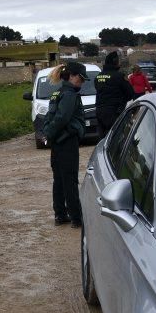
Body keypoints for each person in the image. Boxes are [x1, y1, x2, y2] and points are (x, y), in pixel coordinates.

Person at [43, 62, 87, 228]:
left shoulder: (57, 93)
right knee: (70, 180)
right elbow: (62, 118)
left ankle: (60, 214)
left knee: (59, 180)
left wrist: (47, 134)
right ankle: (76, 218)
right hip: (67, 141)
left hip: (57, 142)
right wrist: (51, 133)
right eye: (80, 78)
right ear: (71, 75)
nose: (82, 82)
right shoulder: (69, 94)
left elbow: (49, 117)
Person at [94, 51, 134, 138]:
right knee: (115, 139)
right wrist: (122, 102)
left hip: (100, 112)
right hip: (114, 112)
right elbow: (130, 93)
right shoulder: (119, 76)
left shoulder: (98, 77)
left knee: (103, 139)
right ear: (115, 62)